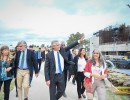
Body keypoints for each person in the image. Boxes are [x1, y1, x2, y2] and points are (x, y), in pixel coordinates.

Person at [44, 34, 85, 100]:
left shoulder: (62, 50)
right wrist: (47, 79)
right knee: (52, 93)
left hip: (61, 75)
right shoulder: (49, 55)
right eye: (57, 45)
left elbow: (70, 46)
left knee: (61, 91)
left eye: (59, 44)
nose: (59, 46)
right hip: (52, 76)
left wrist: (79, 41)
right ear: (53, 46)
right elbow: (46, 68)